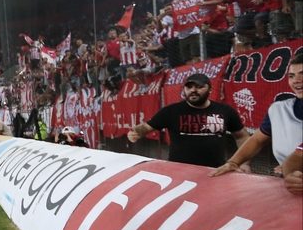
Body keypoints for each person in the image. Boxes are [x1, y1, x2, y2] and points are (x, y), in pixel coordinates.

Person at [210, 50, 303, 178]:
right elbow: (257, 140)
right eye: (291, 76)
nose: (296, 80)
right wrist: (233, 162)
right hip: (289, 180)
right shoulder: (279, 109)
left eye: (302, 74)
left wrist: (291, 166)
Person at [128, 72, 249, 167]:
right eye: (189, 87)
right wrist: (137, 132)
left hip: (215, 171)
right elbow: (148, 127)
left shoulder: (225, 111)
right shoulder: (171, 111)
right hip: (180, 171)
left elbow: (242, 136)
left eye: (199, 87)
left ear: (210, 90)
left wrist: (244, 163)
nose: (193, 90)